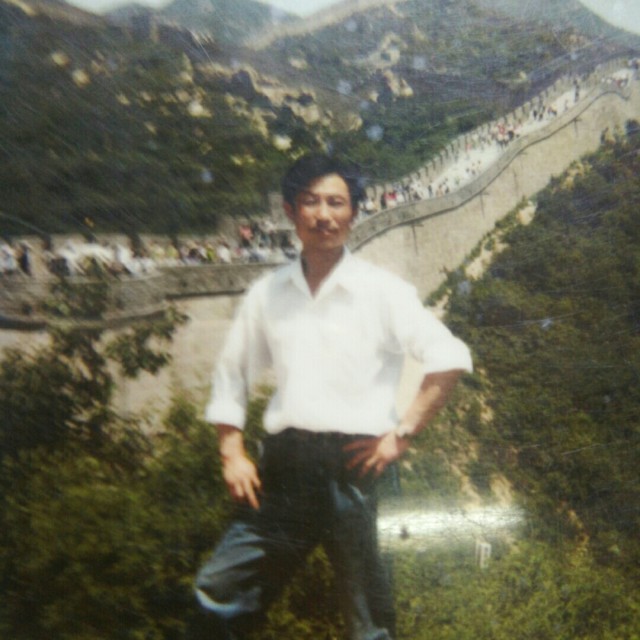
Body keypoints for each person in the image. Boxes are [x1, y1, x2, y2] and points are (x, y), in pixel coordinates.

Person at [191, 153, 473, 640]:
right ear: (290, 211)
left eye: (336, 203)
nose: (323, 215)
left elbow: (448, 356)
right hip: (285, 471)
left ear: (354, 213)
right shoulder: (268, 294)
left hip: (357, 468)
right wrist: (230, 451)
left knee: (368, 621)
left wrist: (402, 433)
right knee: (218, 592)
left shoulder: (382, 291)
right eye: (311, 202)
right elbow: (231, 373)